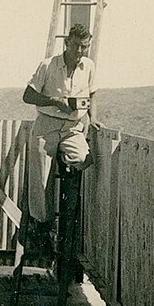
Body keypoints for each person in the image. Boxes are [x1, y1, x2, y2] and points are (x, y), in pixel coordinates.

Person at [22, 23, 100, 251]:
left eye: (84, 47)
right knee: (40, 178)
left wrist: (94, 117)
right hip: (46, 125)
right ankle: (42, 226)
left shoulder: (88, 66)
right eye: (75, 46)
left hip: (72, 127)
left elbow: (93, 94)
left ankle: (67, 205)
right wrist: (54, 101)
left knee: (82, 159)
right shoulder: (48, 65)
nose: (79, 51)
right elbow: (27, 96)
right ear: (66, 43)